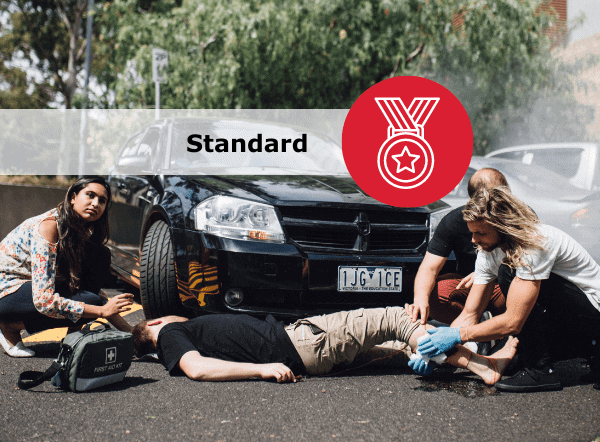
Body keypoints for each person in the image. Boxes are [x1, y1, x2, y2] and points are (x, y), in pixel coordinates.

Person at [414, 186, 600, 392]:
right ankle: (590, 350)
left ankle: (540, 371)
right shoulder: (488, 250)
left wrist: (457, 335)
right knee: (509, 361)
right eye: (472, 233)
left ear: (502, 226)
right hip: (565, 315)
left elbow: (513, 322)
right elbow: (470, 313)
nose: (474, 240)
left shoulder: (533, 243)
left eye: (480, 233)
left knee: (508, 270)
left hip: (593, 311)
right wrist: (439, 353)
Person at [132, 307, 519, 386]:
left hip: (307, 354)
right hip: (302, 343)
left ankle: (468, 361)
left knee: (403, 355)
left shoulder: (182, 335)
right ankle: (483, 366)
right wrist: (262, 369)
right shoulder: (167, 335)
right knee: (396, 321)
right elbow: (197, 368)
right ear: (153, 323)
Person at [0, 176, 134, 357]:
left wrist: (133, 335)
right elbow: (44, 301)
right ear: (73, 197)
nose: (95, 204)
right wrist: (101, 311)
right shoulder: (49, 226)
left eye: (102, 201)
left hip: (31, 288)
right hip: (7, 291)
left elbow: (88, 291)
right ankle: (9, 327)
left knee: (101, 256)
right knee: (91, 304)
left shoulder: (79, 231)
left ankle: (73, 337)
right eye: (90, 195)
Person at [405, 168, 508, 325]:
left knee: (517, 289)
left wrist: (489, 271)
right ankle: (478, 325)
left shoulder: (517, 217)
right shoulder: (454, 220)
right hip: (467, 286)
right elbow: (429, 267)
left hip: (502, 284)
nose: (474, 239)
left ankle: (501, 329)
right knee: (432, 294)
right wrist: (420, 299)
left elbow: (529, 262)